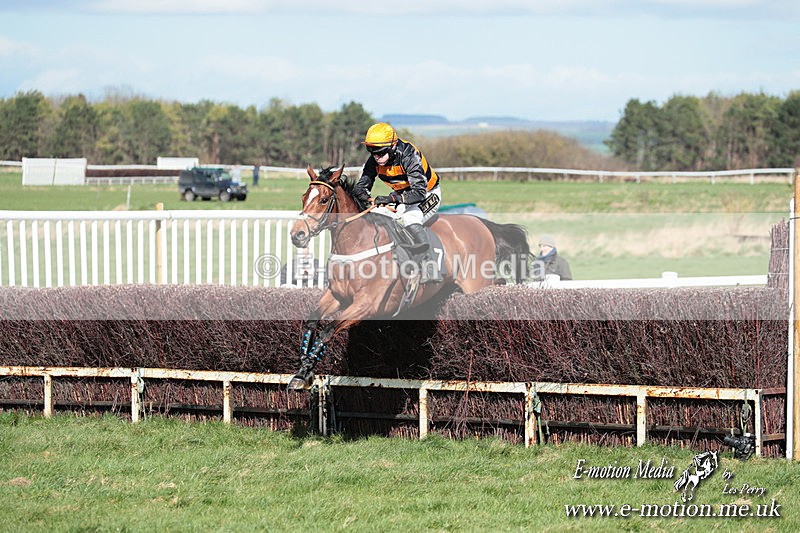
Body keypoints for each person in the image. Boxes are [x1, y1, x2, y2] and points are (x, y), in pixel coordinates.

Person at [353, 122, 443, 283]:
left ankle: (430, 265)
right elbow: (362, 185)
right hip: (402, 195)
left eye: (380, 152)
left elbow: (419, 193)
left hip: (427, 194)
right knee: (376, 216)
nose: (376, 157)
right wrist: (363, 196)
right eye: (372, 151)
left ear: (393, 146)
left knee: (410, 218)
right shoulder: (374, 159)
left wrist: (391, 198)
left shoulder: (409, 155)